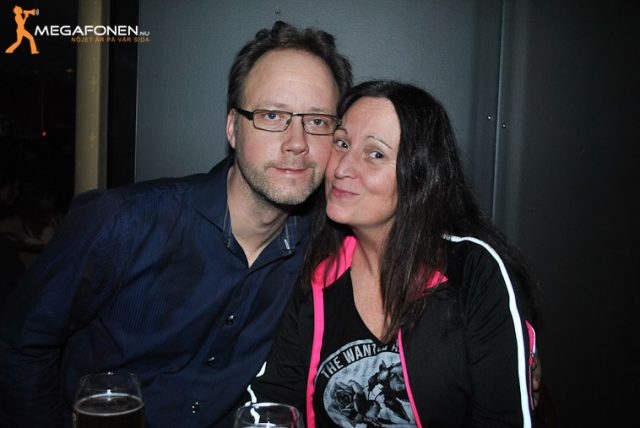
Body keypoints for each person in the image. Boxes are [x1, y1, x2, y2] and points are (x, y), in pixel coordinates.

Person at [0, 21, 352, 428]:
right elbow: (19, 347)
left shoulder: (321, 253)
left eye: (318, 121)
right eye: (272, 115)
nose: (297, 142)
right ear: (233, 128)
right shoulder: (123, 222)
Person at [245, 81, 539, 427]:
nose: (341, 168)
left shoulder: (472, 271)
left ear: (420, 176)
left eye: (375, 154)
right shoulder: (315, 276)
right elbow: (275, 398)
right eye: (342, 143)